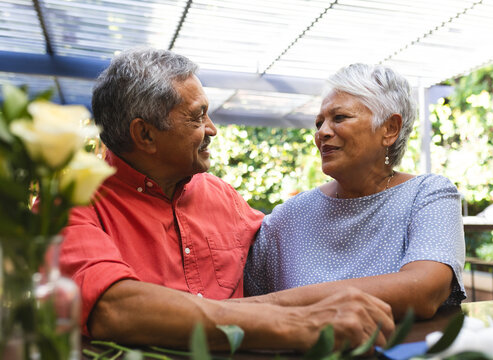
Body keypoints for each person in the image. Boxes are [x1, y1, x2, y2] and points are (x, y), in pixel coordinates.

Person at [59, 48, 394, 351]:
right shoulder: (69, 204)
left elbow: (290, 248)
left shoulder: (221, 195)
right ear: (145, 134)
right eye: (197, 115)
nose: (212, 129)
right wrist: (298, 323)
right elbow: (114, 308)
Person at [244, 63, 466, 320]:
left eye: (339, 118)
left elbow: (424, 290)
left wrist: (277, 303)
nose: (322, 133)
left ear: (389, 129)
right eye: (319, 123)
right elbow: (240, 292)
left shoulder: (427, 195)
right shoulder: (290, 215)